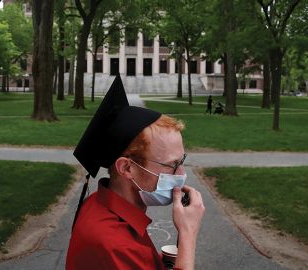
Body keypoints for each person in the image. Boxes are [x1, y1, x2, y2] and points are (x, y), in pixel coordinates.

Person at [66, 75, 205, 270]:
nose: (181, 173)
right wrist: (188, 233)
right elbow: (126, 254)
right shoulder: (116, 246)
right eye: (172, 165)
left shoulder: (97, 202)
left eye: (181, 161)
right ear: (127, 168)